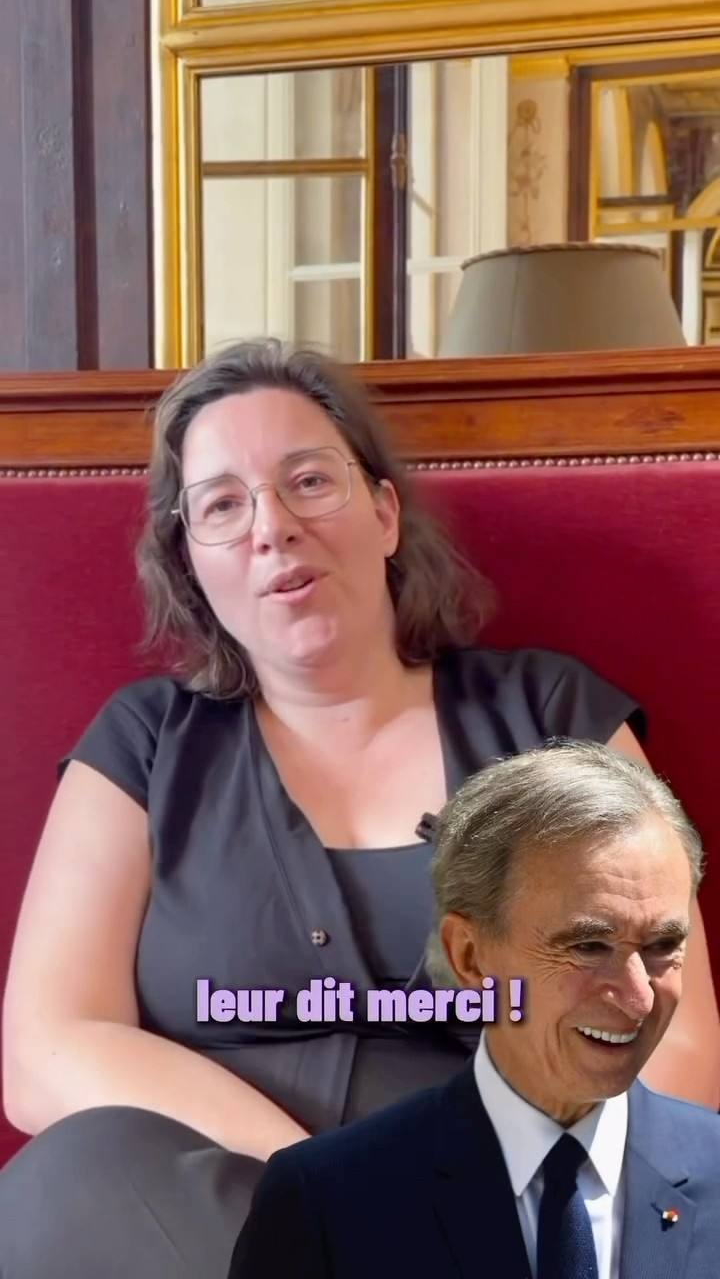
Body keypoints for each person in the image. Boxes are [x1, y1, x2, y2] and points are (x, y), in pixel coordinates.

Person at [0, 340, 717, 1278]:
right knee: (72, 1181)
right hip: (207, 1209)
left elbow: (674, 1038)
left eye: (308, 481)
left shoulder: (550, 720)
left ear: (384, 513)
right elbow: (47, 1050)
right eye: (222, 505)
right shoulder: (144, 742)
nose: (272, 527)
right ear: (191, 565)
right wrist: (318, 1181)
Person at [230, 741, 720, 1279]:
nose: (639, 997)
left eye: (662, 946)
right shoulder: (326, 1203)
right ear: (470, 956)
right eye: (588, 946)